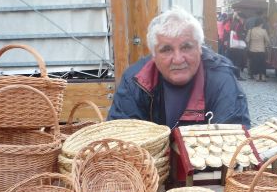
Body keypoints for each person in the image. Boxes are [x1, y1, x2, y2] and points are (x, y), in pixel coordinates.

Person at [107, 7, 251, 129]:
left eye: (186, 47)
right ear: (154, 55)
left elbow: (234, 143)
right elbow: (121, 139)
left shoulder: (222, 80)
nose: (178, 59)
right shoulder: (135, 82)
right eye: (166, 49)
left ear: (200, 48)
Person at [246, 18, 271, 82]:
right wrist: (267, 45)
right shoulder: (264, 31)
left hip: (252, 50)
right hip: (261, 50)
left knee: (255, 64)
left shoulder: (250, 31)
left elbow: (247, 40)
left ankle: (257, 77)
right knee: (262, 64)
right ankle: (262, 77)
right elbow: (268, 40)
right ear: (261, 24)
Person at [227, 12, 247, 80]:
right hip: (237, 45)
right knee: (238, 61)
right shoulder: (239, 24)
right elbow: (239, 34)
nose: (243, 20)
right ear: (241, 18)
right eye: (243, 19)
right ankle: (237, 75)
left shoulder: (233, 23)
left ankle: (232, 75)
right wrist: (244, 35)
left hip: (232, 44)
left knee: (233, 60)